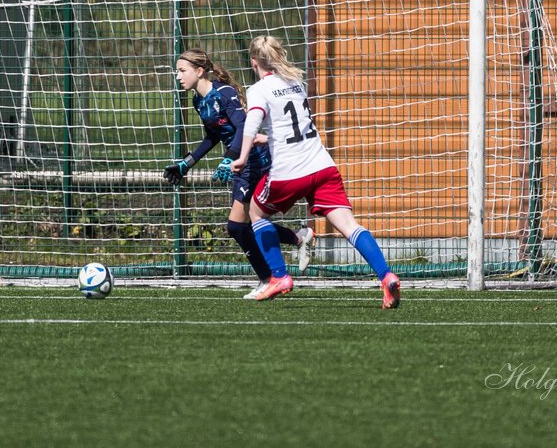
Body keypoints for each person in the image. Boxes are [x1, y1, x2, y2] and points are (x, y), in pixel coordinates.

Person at [229, 35, 401, 308]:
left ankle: (279, 277)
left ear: (254, 62)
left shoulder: (259, 90)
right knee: (349, 225)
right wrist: (268, 139)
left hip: (289, 171)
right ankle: (386, 276)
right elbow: (290, 126)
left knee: (255, 212)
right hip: (322, 165)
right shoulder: (296, 83)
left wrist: (242, 156)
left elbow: (252, 125)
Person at [165, 49, 313, 299]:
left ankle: (271, 276)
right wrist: (186, 163)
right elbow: (213, 135)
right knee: (240, 226)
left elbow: (244, 126)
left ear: (199, 71)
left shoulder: (224, 93)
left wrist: (229, 158)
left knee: (237, 226)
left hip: (255, 161)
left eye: (182, 70)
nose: (177, 76)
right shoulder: (199, 101)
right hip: (240, 164)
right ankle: (294, 243)